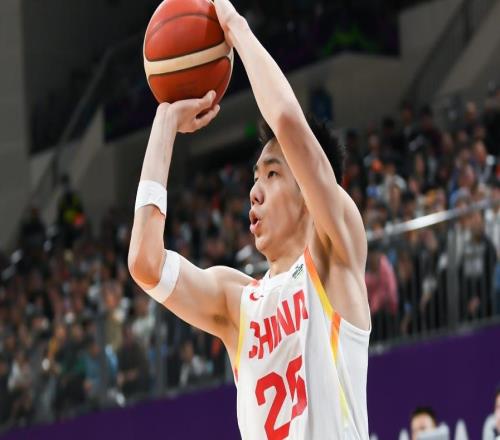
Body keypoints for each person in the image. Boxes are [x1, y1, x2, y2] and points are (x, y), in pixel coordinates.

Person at [128, 0, 370, 438]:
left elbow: (286, 120)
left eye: (272, 174)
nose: (254, 191)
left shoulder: (335, 254)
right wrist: (164, 124)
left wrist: (233, 25)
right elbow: (145, 264)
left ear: (309, 191)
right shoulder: (237, 303)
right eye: (255, 177)